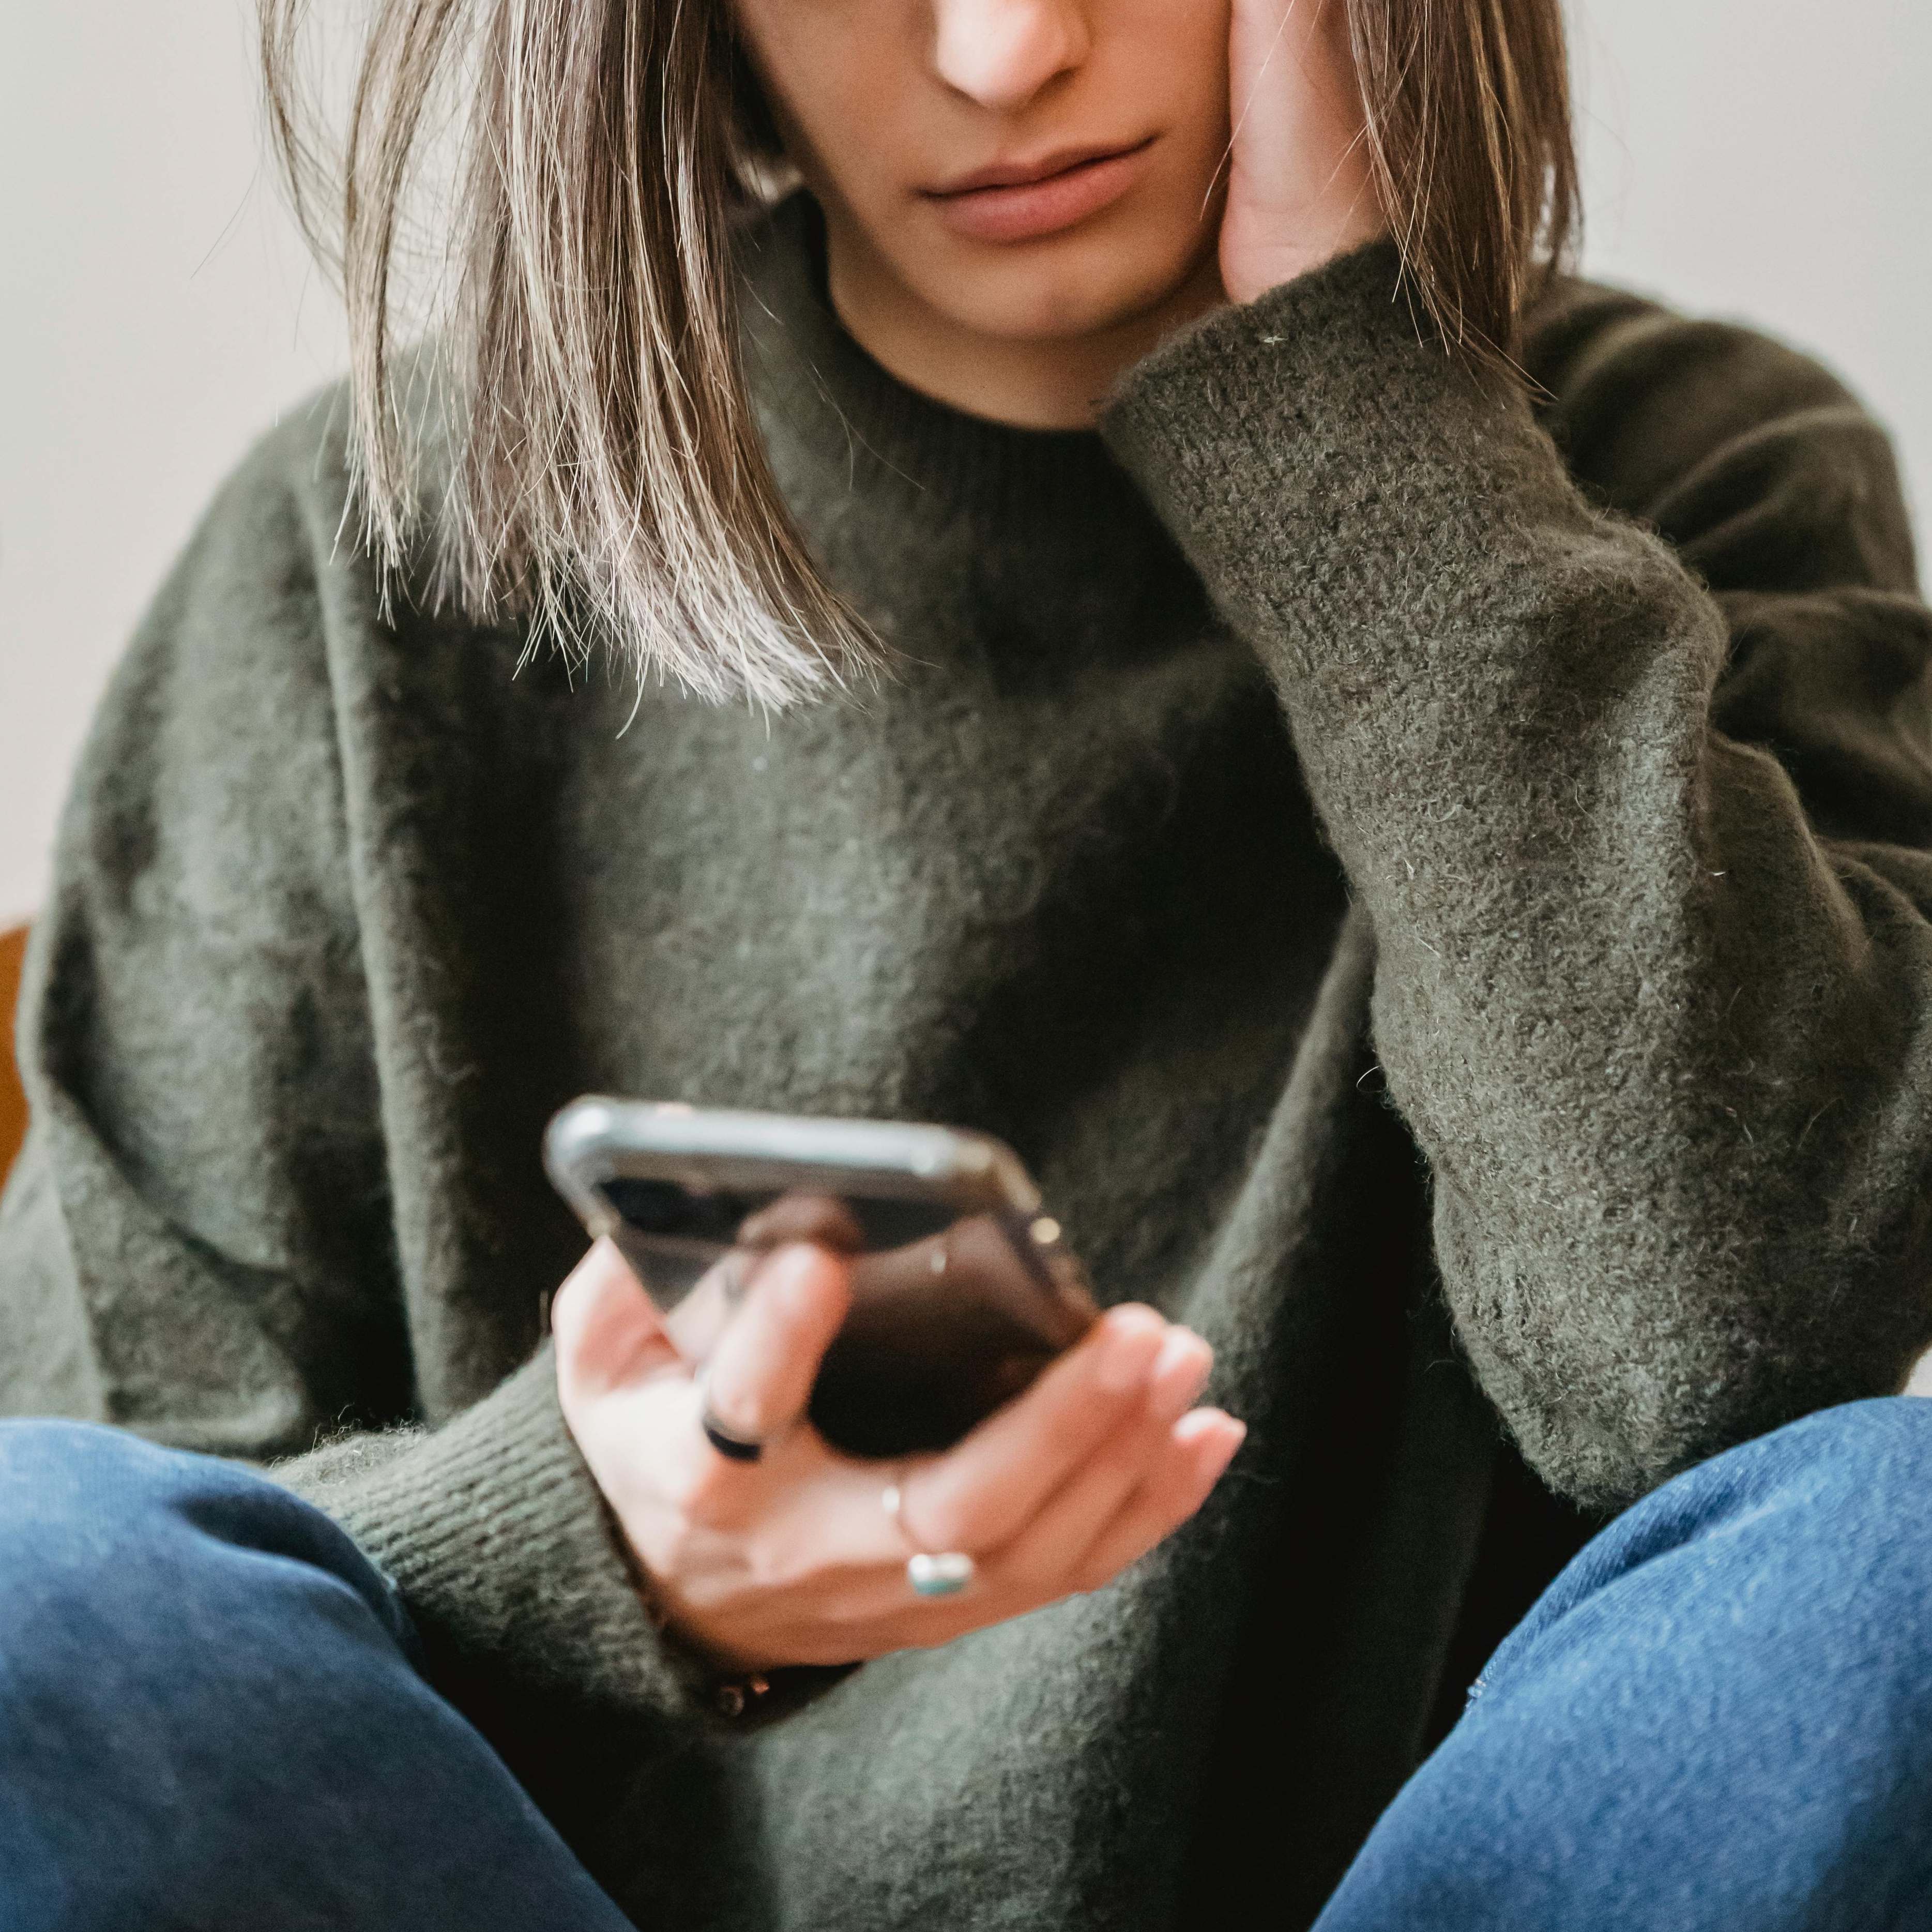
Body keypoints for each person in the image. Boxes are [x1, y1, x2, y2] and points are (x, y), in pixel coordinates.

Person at [4, 0, 1932, 1924]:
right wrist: (598, 1550)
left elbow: (1719, 1371)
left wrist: (1358, 420)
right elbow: (107, 1608)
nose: (1007, 52)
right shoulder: (372, 545)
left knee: (1896, 1546)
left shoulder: (1699, 472)